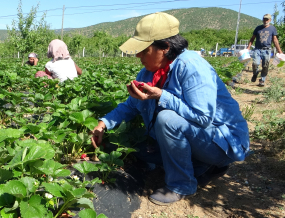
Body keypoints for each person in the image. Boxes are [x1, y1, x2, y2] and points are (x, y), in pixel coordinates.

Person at [91, 12, 250, 206]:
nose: (138, 55)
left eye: (144, 49)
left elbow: (203, 118)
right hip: (199, 138)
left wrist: (162, 96)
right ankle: (203, 167)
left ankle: (182, 185)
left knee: (167, 119)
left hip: (221, 142)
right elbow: (131, 105)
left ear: (165, 48)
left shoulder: (192, 66)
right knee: (138, 151)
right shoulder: (149, 72)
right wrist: (103, 124)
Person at [247, 14, 283, 87]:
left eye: (267, 19)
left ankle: (262, 80)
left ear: (270, 20)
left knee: (265, 65)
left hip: (267, 50)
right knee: (255, 63)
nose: (265, 21)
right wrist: (248, 47)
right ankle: (255, 73)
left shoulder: (272, 29)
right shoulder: (258, 28)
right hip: (257, 49)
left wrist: (280, 51)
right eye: (264, 19)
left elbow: (275, 40)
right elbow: (252, 38)